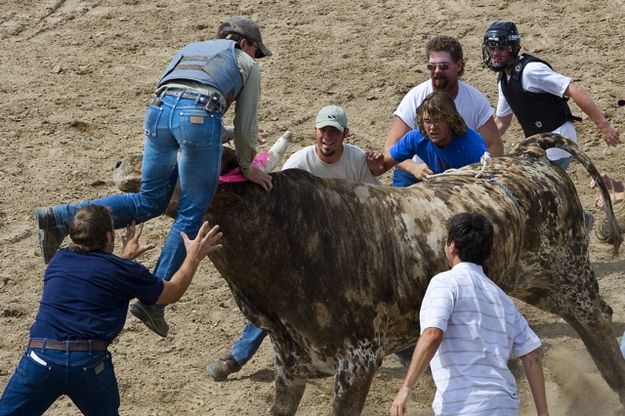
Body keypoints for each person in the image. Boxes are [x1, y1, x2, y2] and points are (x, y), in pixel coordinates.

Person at [34, 16, 273, 338]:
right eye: (257, 52)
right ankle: (153, 302)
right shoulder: (245, 60)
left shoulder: (191, 49)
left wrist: (215, 132)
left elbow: (183, 104)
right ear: (246, 44)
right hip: (199, 119)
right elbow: (246, 126)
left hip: (159, 115)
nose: (256, 59)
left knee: (150, 199)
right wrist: (248, 167)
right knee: (190, 211)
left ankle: (59, 217)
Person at [205, 105, 380, 381]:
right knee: (276, 301)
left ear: (344, 134)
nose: (328, 137)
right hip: (304, 251)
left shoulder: (357, 160)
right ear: (315, 132)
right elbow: (279, 208)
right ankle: (236, 357)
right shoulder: (299, 162)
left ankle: (409, 350)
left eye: (334, 132)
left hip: (347, 252)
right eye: (324, 131)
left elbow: (375, 201)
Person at [0, 205, 222, 416]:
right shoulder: (125, 272)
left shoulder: (58, 260)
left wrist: (124, 259)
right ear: (108, 237)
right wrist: (193, 256)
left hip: (40, 359)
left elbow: (96, 276)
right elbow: (172, 292)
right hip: (89, 364)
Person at [389, 212, 549, 416]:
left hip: (464, 405)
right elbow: (531, 356)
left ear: (452, 246)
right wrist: (543, 414)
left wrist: (406, 388)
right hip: (505, 405)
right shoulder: (502, 298)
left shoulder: (444, 283)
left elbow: (433, 334)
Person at [482, 20, 619, 170]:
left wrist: (604, 126)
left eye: (501, 48)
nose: (495, 54)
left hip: (557, 143)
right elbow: (501, 122)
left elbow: (575, 90)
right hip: (538, 144)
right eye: (491, 48)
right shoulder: (504, 79)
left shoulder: (531, 71)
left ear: (512, 49)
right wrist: (477, 145)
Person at [385, 35, 503, 187]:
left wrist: (472, 171)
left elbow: (496, 146)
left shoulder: (475, 100)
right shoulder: (415, 97)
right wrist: (412, 167)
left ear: (459, 66)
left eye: (444, 66)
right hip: (417, 173)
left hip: (459, 173)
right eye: (431, 66)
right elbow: (390, 147)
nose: (437, 71)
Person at [373, 91, 487, 180]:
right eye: (427, 121)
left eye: (438, 120)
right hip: (429, 181)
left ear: (450, 120)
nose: (432, 127)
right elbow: (382, 165)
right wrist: (412, 167)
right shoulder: (416, 137)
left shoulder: (471, 145)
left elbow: (488, 178)